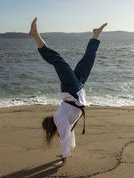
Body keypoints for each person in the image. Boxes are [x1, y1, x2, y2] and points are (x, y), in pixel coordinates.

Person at [29, 17, 107, 166]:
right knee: (84, 61)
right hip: (75, 89)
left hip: (73, 90)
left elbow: (66, 135)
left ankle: (36, 35)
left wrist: (66, 155)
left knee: (59, 61)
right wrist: (67, 154)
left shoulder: (60, 119)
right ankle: (95, 36)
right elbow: (68, 136)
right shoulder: (61, 120)